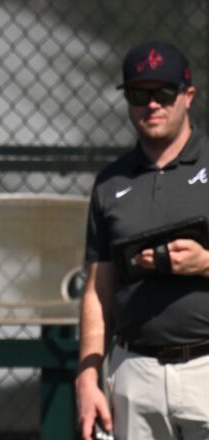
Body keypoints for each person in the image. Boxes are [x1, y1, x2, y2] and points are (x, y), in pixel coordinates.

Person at [76, 41, 209, 440]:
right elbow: (98, 290)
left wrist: (204, 263)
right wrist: (87, 375)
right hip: (134, 371)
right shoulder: (111, 182)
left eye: (163, 93)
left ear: (187, 96)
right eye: (139, 94)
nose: (152, 104)